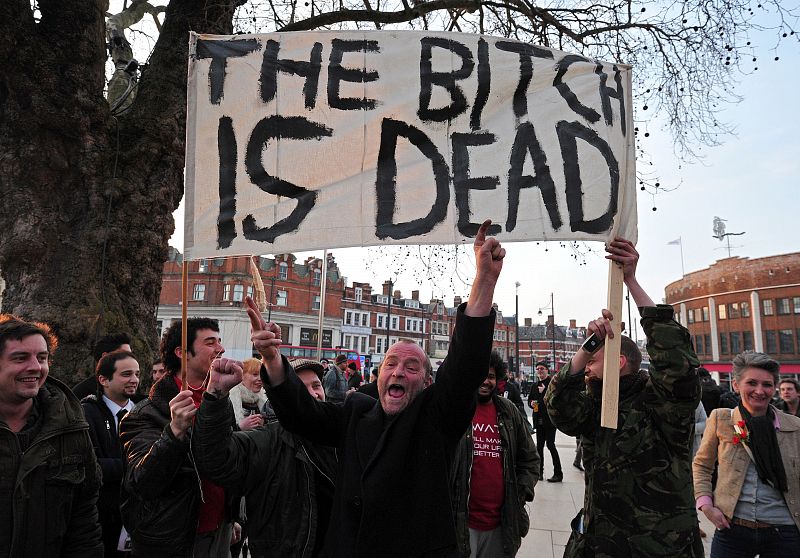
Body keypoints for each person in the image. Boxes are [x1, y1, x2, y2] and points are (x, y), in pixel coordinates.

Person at [239, 219, 503, 557]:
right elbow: (301, 414)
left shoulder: (436, 419)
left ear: (426, 382)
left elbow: (465, 365)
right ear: (378, 376)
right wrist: (273, 359)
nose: (398, 372)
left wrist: (484, 279)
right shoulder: (355, 413)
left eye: (411, 367)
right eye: (391, 364)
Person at [545, 238, 704, 557]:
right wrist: (588, 347)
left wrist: (631, 280)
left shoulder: (660, 401)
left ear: (618, 362)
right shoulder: (595, 405)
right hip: (598, 543)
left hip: (657, 547)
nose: (586, 369)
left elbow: (678, 363)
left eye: (593, 362)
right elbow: (559, 408)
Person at [194, 357, 338, 557]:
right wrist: (215, 397)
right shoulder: (267, 441)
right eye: (301, 388)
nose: (313, 393)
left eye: (316, 385)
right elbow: (216, 459)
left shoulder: (342, 439)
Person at [119, 318, 236, 557]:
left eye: (220, 341)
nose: (220, 349)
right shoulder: (145, 414)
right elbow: (143, 481)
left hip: (219, 532)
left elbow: (228, 460)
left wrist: (233, 514)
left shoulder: (220, 399)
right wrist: (173, 433)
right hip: (172, 538)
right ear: (183, 352)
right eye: (210, 342)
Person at [0, 314, 103, 557]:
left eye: (42, 358)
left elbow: (84, 522)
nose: (35, 367)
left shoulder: (72, 428)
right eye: (20, 358)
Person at [693, 351, 800, 557]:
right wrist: (705, 504)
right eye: (752, 383)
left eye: (767, 385)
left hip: (784, 531)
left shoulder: (794, 427)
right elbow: (702, 465)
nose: (759, 391)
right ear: (736, 385)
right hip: (732, 528)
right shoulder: (721, 419)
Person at [451, 351, 539, 557]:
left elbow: (530, 459)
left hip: (501, 523)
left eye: (490, 376)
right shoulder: (456, 410)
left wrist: (520, 492)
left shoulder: (508, 412)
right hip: (461, 522)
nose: (485, 381)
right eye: (480, 375)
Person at [82, 350, 141, 557]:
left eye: (137, 373)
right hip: (102, 519)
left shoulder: (148, 412)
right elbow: (91, 466)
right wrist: (136, 466)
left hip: (141, 518)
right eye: (126, 374)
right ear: (103, 380)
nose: (134, 380)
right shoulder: (86, 414)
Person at [528, 362, 562, 482]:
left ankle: (558, 473)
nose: (539, 371)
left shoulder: (551, 384)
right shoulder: (534, 385)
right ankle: (539, 472)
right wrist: (531, 403)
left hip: (550, 420)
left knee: (551, 445)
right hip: (539, 419)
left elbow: (555, 400)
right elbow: (530, 400)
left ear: (547, 370)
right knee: (539, 447)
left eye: (542, 369)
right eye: (537, 369)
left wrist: (545, 391)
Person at [73, 332, 133, 399]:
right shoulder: (81, 393)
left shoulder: (133, 385)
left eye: (130, 355)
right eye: (125, 354)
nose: (131, 359)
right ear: (105, 356)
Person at [228, 358, 268, 430]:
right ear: (242, 376)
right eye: (255, 374)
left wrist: (265, 423)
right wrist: (239, 427)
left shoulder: (267, 400)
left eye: (262, 375)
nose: (260, 379)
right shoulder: (227, 399)